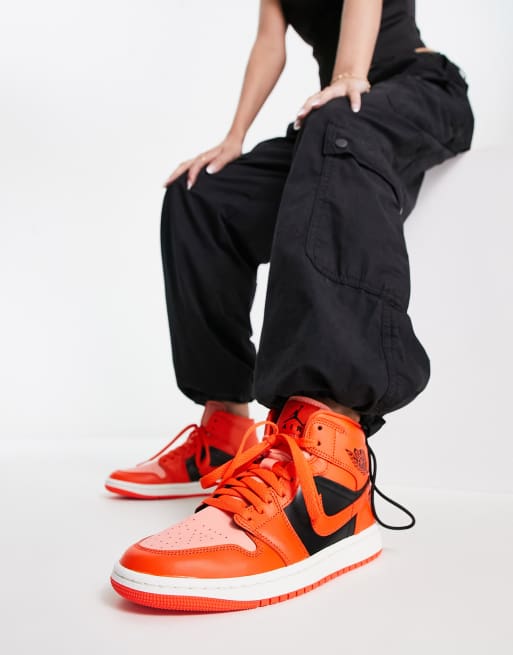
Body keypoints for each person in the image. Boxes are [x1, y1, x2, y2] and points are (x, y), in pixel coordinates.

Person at [106, 0, 474, 610]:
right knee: (202, 196)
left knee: (338, 123)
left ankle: (332, 470)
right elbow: (269, 45)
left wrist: (348, 78)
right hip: (341, 115)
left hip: (417, 90)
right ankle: (225, 431)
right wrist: (233, 139)